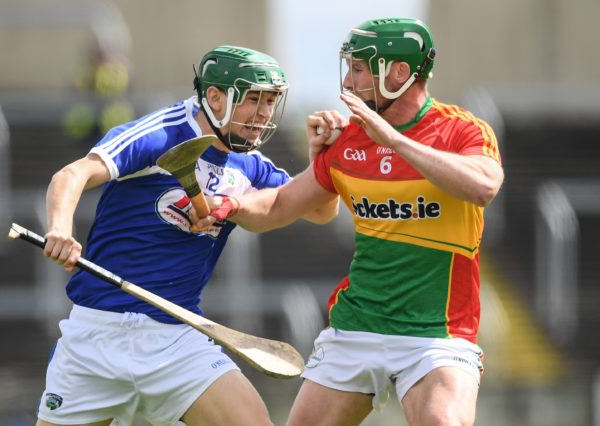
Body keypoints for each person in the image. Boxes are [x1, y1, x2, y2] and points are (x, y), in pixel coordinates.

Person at [193, 18, 504, 426]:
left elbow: (483, 186)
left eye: (359, 69)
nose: (348, 81)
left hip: (437, 334)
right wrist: (231, 204)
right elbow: (282, 204)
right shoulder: (349, 140)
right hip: (358, 328)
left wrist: (393, 139)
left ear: (398, 73)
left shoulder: (461, 129)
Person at [37, 45, 338, 426]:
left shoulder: (249, 163)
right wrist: (60, 230)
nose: (264, 114)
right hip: (95, 338)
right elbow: (70, 176)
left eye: (271, 102)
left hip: (176, 339)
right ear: (214, 97)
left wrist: (319, 162)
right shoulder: (161, 133)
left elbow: (320, 209)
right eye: (254, 100)